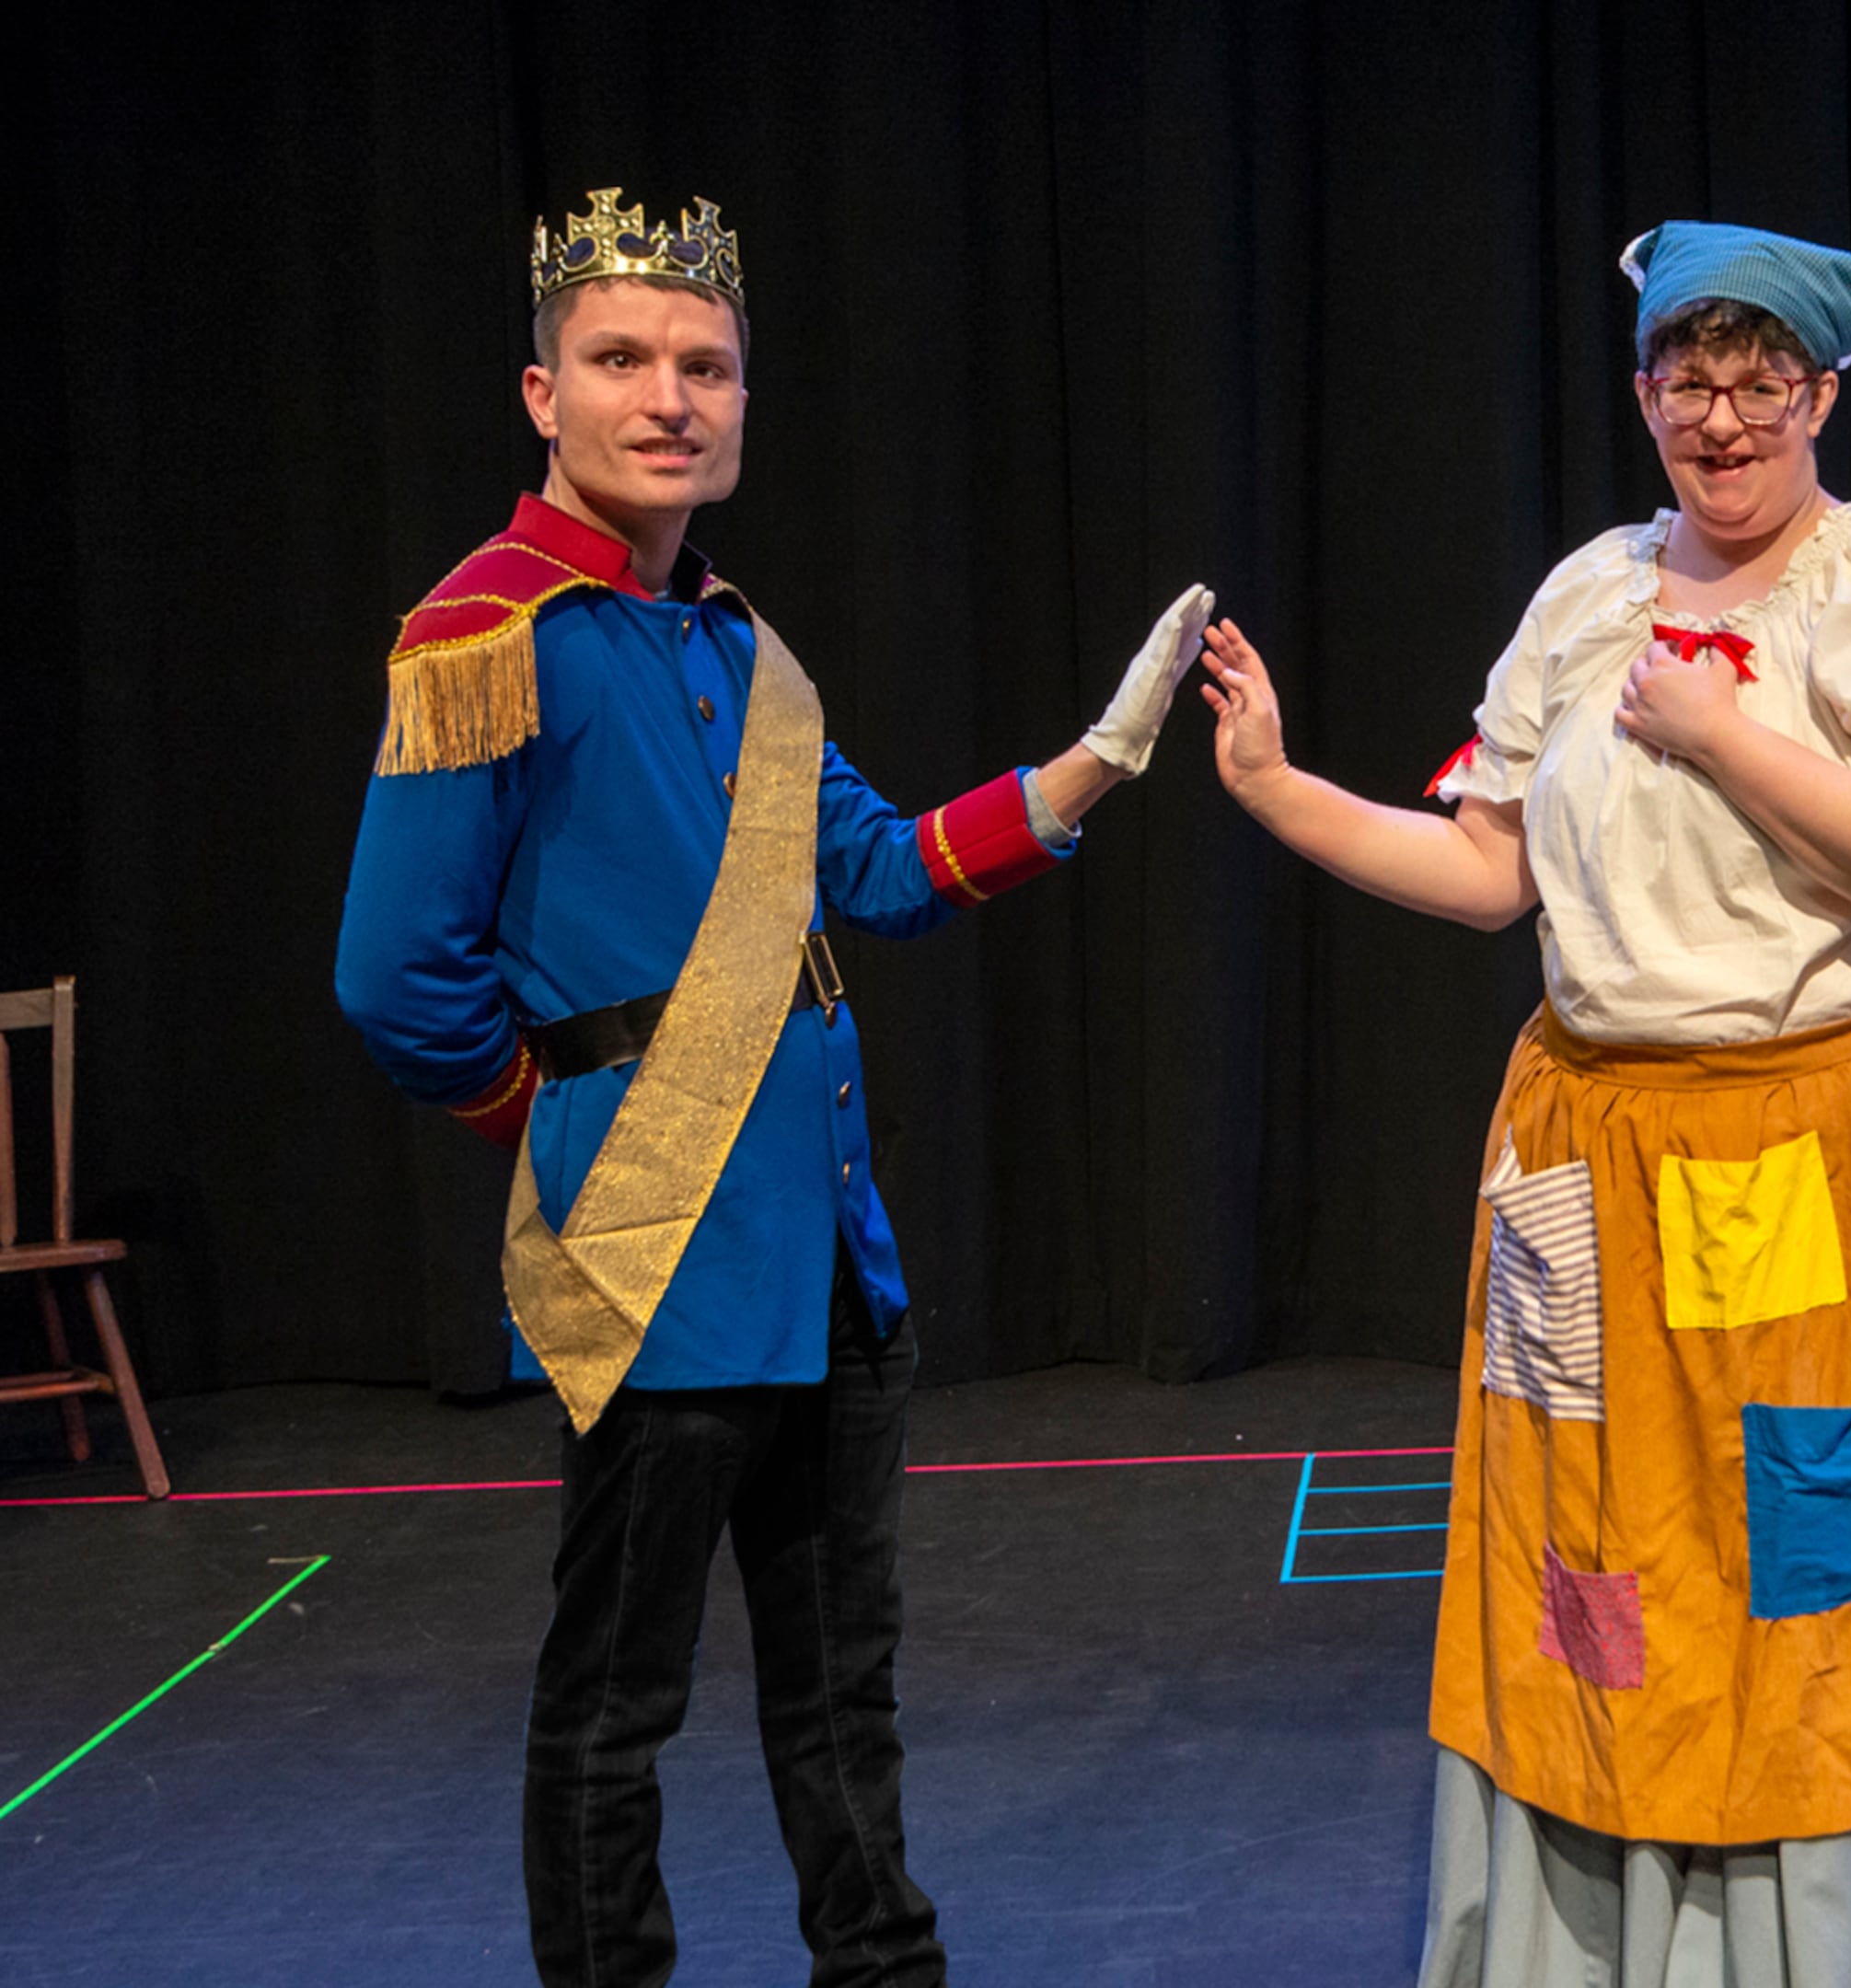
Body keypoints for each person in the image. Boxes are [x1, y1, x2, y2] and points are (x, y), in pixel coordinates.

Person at [1196, 222, 1851, 1979]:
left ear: (1825, 394)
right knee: (1595, 1565)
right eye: (1688, 381)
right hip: (1586, 1153)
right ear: (1641, 393)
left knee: (1825, 1564)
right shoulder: (1590, 593)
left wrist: (1720, 734)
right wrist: (1272, 785)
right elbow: (1486, 875)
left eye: (1763, 382)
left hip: (1817, 1144)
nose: (1723, 418)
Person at [332, 189, 1211, 1984]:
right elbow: (395, 982)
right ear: (541, 394)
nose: (670, 397)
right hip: (649, 1248)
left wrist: (1100, 765)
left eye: (706, 365)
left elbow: (878, 870)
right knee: (616, 1704)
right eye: (624, 361)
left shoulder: (741, 646)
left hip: (828, 1261)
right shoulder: (482, 632)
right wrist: (562, 1132)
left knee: (841, 1695)